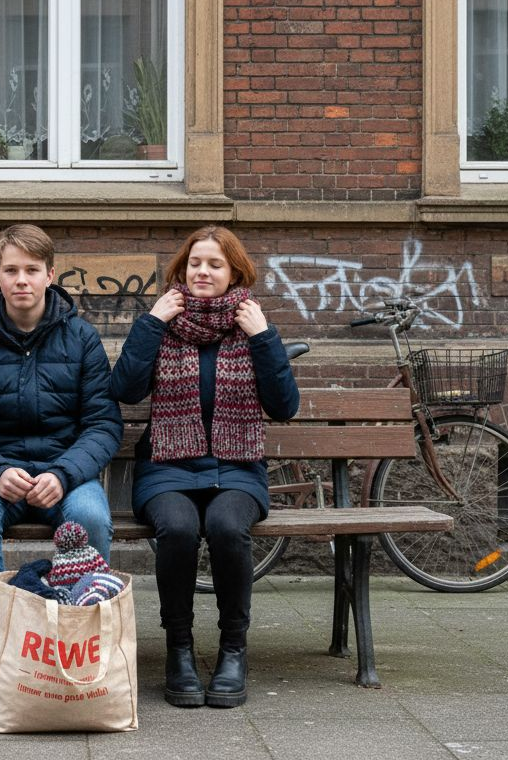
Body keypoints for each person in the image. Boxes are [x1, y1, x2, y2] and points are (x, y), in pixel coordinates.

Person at [110, 225, 299, 709]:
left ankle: (233, 649)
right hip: (168, 468)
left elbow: (284, 406)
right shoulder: (163, 322)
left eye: (214, 264)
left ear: (234, 272)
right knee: (176, 528)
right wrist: (151, 323)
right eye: (195, 263)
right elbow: (125, 389)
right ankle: (180, 649)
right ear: (182, 268)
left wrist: (264, 339)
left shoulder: (251, 327)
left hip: (237, 470)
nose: (202, 272)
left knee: (225, 526)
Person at [0, 224, 122, 711]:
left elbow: (103, 424)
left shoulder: (80, 337)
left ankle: (78, 645)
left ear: (50, 275)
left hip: (66, 474)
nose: (22, 280)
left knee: (93, 519)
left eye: (32, 270)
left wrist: (63, 474)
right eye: (11, 270)